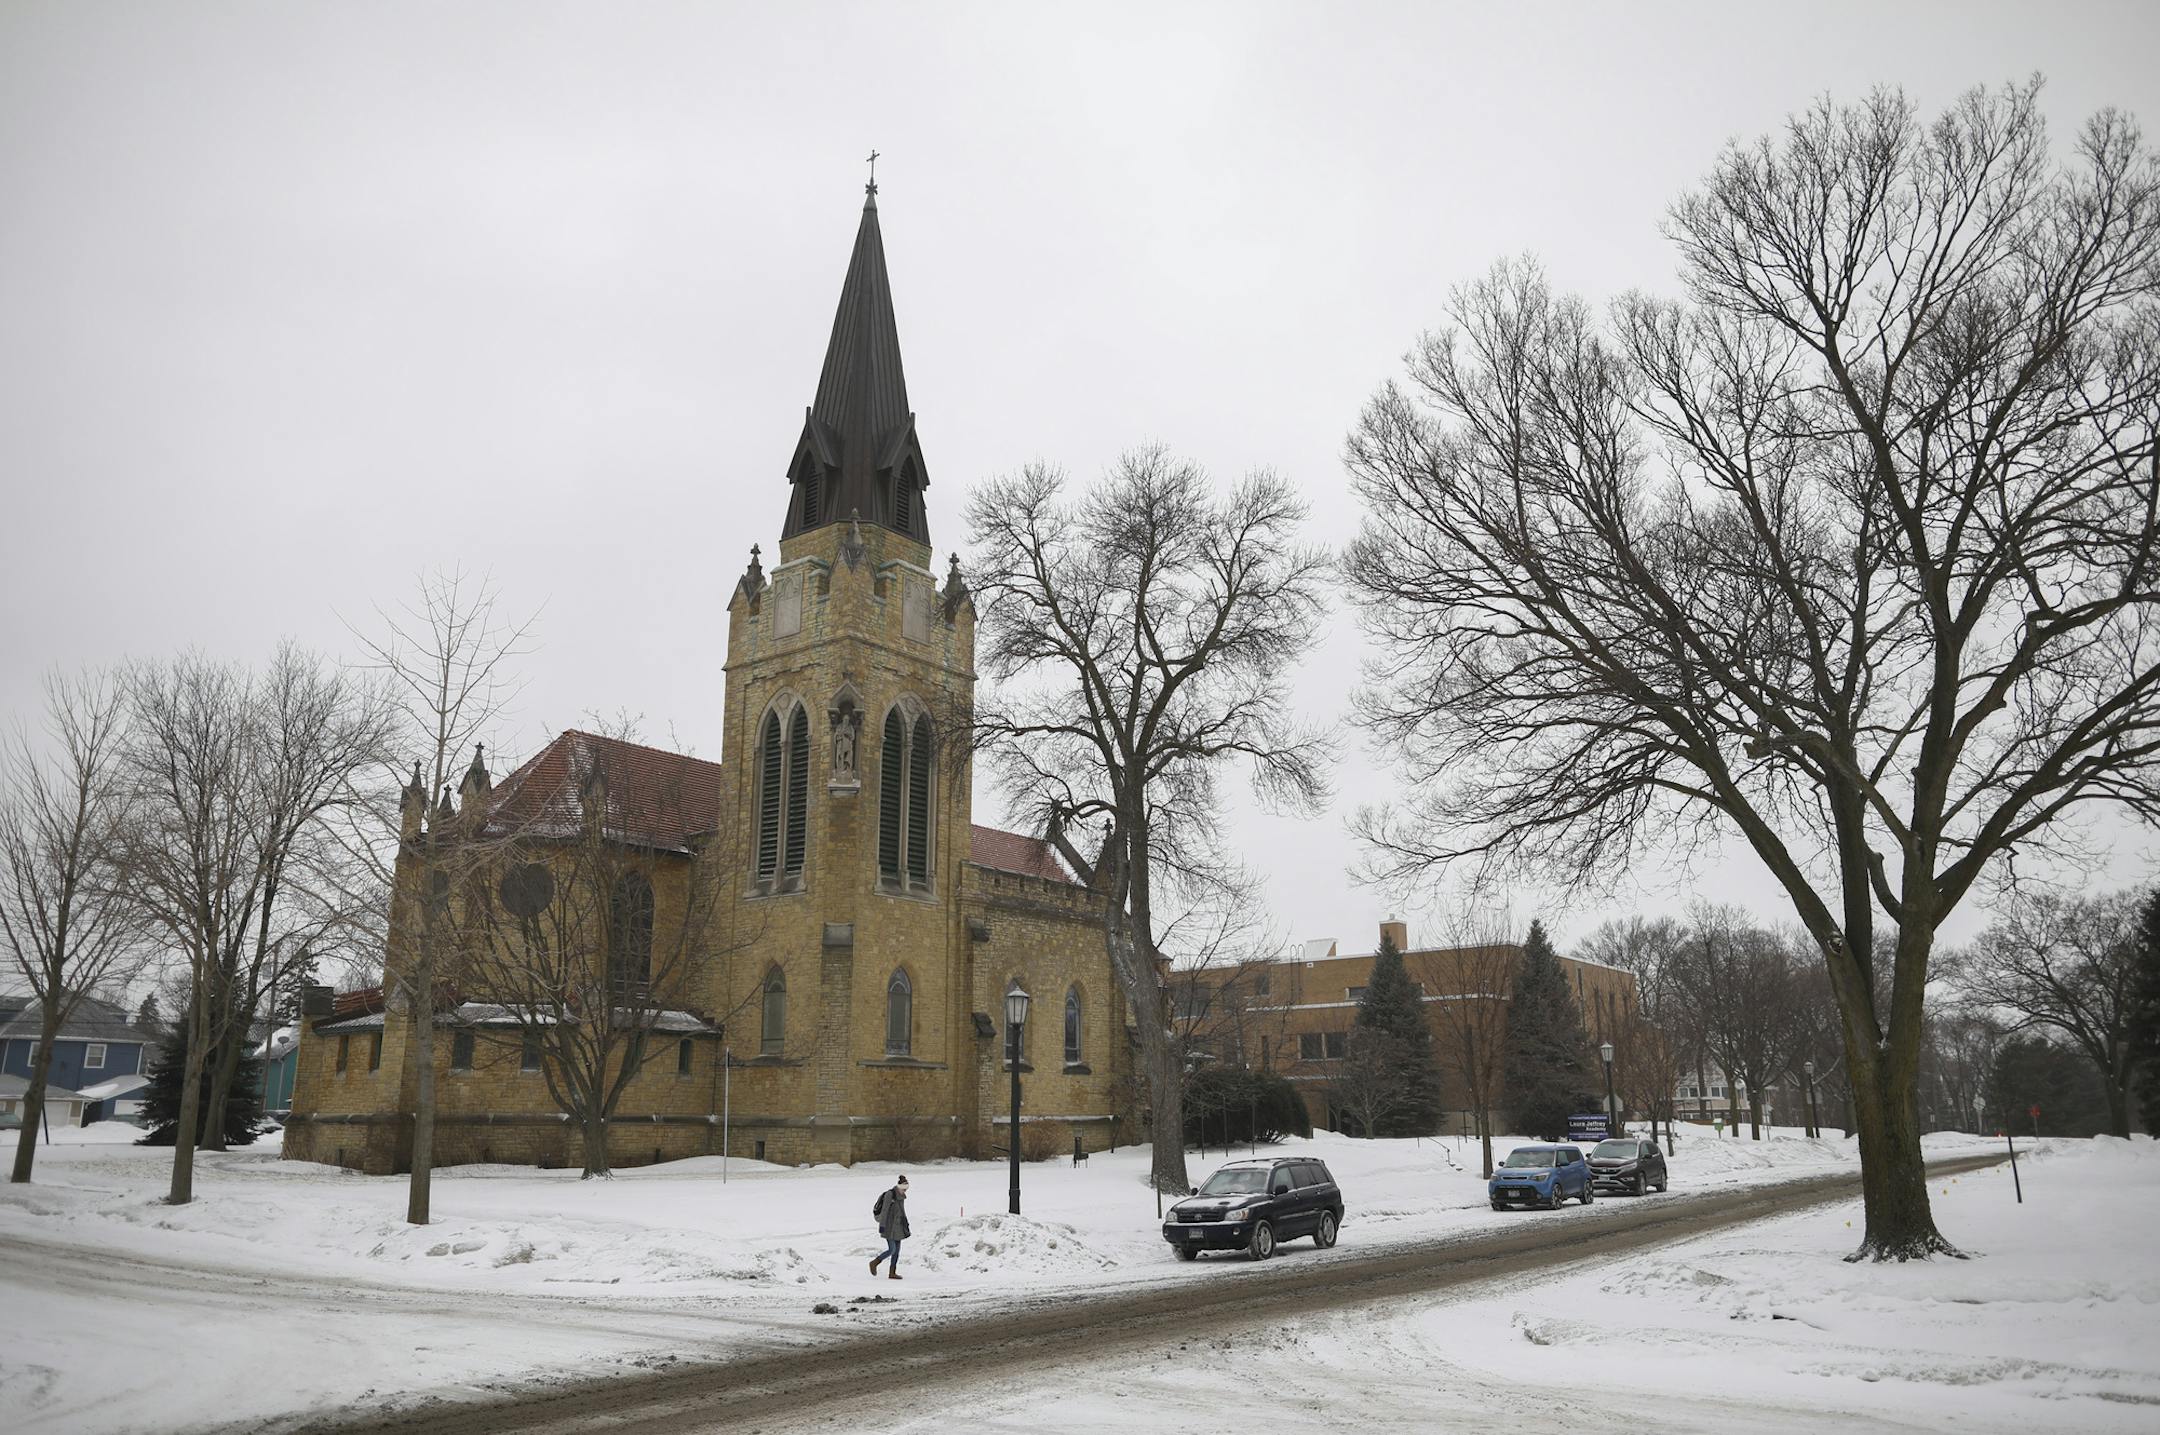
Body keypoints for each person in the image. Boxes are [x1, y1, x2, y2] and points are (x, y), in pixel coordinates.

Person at [869, 1174, 910, 1279]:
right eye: (904, 1189)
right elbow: (884, 1211)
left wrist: (905, 1223)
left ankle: (892, 1273)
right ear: (899, 1187)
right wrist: (882, 1225)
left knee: (896, 1252)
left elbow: (902, 1211)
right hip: (888, 1227)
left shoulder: (901, 1197)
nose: (905, 1191)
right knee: (891, 1249)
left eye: (906, 1189)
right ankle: (874, 1263)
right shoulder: (890, 1195)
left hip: (899, 1227)